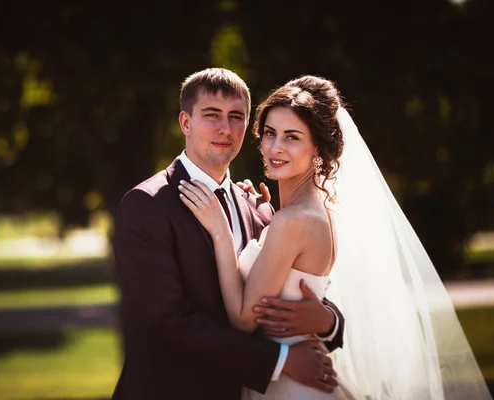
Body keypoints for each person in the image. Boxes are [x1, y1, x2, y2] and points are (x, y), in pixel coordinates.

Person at [180, 75, 494, 399]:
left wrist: (220, 232)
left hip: (290, 386)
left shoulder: (293, 221)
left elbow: (246, 320)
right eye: (270, 134)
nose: (275, 147)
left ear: (318, 146)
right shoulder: (313, 211)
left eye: (292, 137)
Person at [111, 68, 346, 400]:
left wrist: (327, 320)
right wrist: (280, 361)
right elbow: (169, 323)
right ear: (185, 123)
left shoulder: (261, 207)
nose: (225, 128)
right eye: (212, 115)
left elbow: (293, 294)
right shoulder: (147, 205)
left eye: (236, 117)